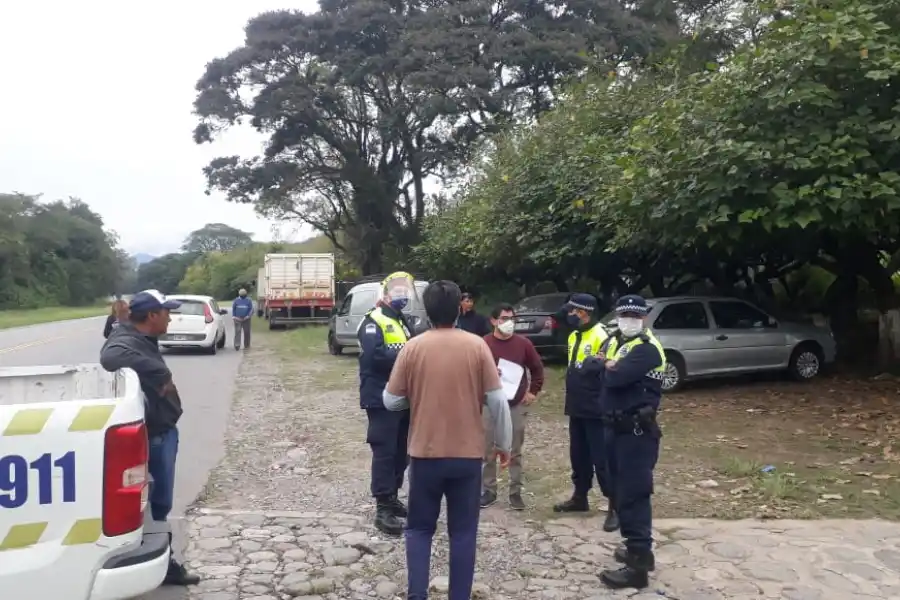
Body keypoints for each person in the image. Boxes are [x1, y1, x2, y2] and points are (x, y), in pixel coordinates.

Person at [382, 280, 512, 600]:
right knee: (463, 533)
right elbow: (497, 402)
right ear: (458, 309)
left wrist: (415, 396)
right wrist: (504, 445)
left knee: (419, 528)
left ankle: (417, 594)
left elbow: (390, 401)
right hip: (467, 457)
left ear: (426, 310)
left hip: (425, 454)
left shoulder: (413, 347)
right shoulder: (477, 346)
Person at [99, 290, 200, 586]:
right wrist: (160, 372)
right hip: (156, 437)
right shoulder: (127, 340)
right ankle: (162, 565)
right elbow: (109, 355)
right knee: (156, 504)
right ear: (152, 316)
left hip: (164, 431)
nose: (171, 316)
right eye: (167, 312)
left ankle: (156, 560)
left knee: (157, 503)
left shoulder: (141, 337)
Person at [597, 294, 666, 589]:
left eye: (635, 316)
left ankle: (638, 566)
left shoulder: (648, 349)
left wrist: (609, 367)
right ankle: (635, 548)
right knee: (620, 492)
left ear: (644, 318)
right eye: (624, 314)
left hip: (637, 433)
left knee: (634, 495)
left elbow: (614, 378)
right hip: (616, 429)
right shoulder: (617, 341)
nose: (629, 320)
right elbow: (593, 367)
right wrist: (608, 365)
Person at [357, 271, 420, 536]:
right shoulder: (373, 320)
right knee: (384, 452)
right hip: (381, 398)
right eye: (396, 290)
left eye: (405, 290)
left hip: (403, 397)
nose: (402, 294)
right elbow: (374, 356)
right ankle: (383, 506)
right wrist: (407, 356)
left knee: (401, 452)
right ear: (383, 293)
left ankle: (392, 496)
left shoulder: (402, 321)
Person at [552, 293, 619, 532]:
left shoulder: (602, 336)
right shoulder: (574, 336)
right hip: (577, 407)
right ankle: (580, 497)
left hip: (597, 408)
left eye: (572, 311)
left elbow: (610, 371)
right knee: (578, 457)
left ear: (583, 312)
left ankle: (614, 506)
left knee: (602, 460)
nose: (568, 315)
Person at [481, 302, 544, 510]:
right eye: (504, 319)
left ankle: (515, 492)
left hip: (515, 403)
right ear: (493, 321)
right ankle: (488, 490)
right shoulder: (483, 344)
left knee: (515, 449)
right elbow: (473, 371)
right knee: (487, 448)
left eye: (512, 319)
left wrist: (533, 391)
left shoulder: (523, 344)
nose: (509, 323)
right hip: (490, 404)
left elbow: (537, 369)